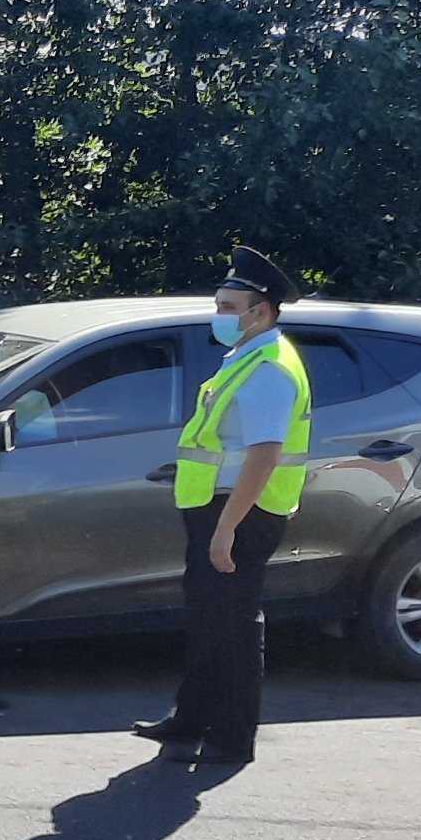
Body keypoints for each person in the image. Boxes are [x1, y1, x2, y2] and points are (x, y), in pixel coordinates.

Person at [136, 246, 312, 766]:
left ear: (261, 311)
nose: (220, 316)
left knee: (234, 627)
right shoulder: (248, 358)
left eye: (229, 307)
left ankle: (233, 739)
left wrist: (226, 530)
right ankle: (189, 721)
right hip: (217, 507)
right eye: (218, 305)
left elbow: (263, 454)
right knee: (210, 620)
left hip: (240, 513)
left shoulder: (270, 370)